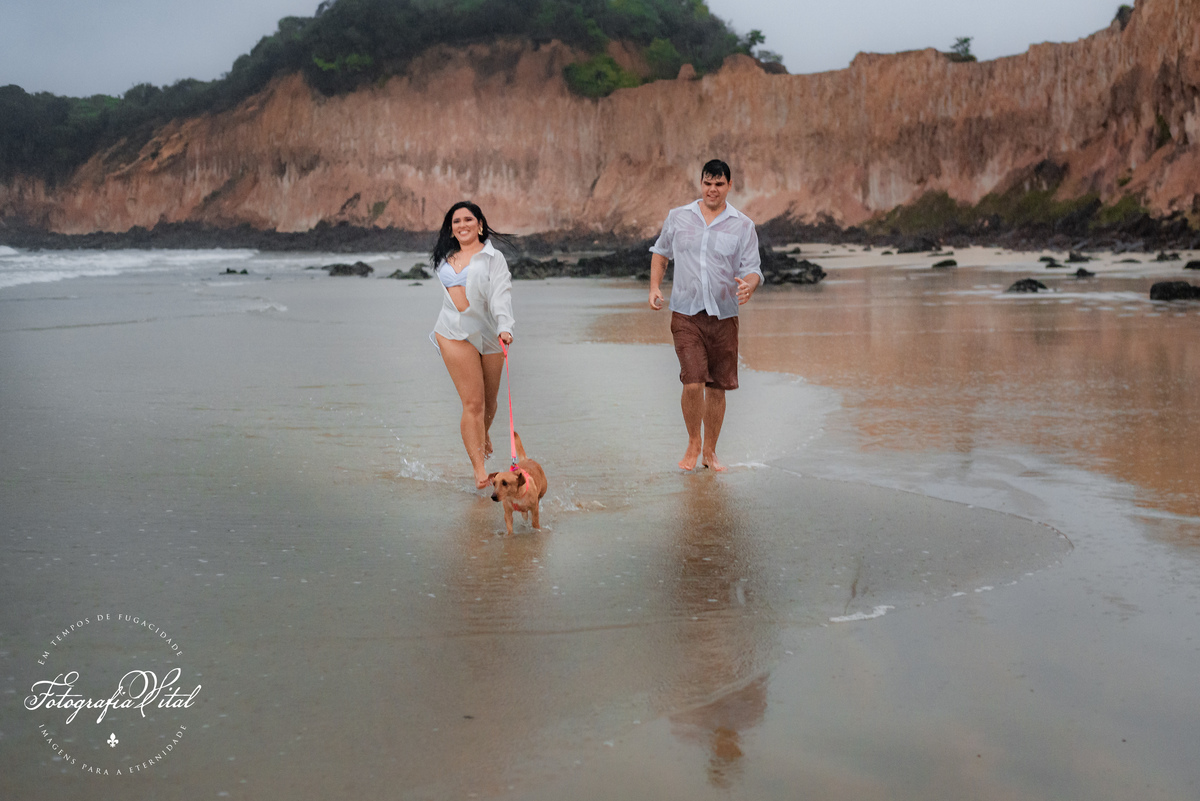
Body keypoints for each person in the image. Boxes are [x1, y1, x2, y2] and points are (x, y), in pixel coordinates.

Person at [648, 159, 763, 472]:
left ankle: (710, 452)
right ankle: (693, 442)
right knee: (693, 382)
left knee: (717, 387)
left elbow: (753, 269)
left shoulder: (742, 225)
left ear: (728, 186)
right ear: (701, 184)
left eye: (719, 184)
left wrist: (749, 287)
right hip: (686, 313)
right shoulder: (678, 217)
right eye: (708, 183)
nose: (713, 189)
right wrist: (654, 287)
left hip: (725, 316)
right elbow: (661, 253)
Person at [430, 200, 515, 488]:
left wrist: (505, 327)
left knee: (489, 404)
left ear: (479, 225)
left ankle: (483, 433)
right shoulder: (445, 258)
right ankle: (480, 472)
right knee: (473, 403)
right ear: (451, 230)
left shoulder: (494, 258)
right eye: (456, 222)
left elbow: (501, 295)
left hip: (489, 333)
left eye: (468, 219)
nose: (462, 225)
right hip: (453, 333)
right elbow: (457, 302)